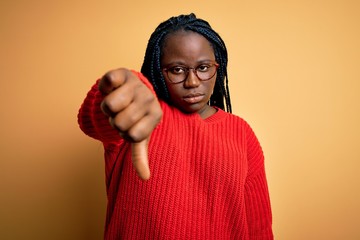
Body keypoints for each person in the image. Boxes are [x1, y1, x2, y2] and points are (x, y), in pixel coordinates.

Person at [78, 13, 273, 239]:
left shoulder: (242, 133)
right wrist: (129, 85)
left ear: (218, 68)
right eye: (176, 70)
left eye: (203, 67)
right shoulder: (140, 116)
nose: (192, 82)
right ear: (157, 71)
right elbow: (93, 119)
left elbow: (258, 226)